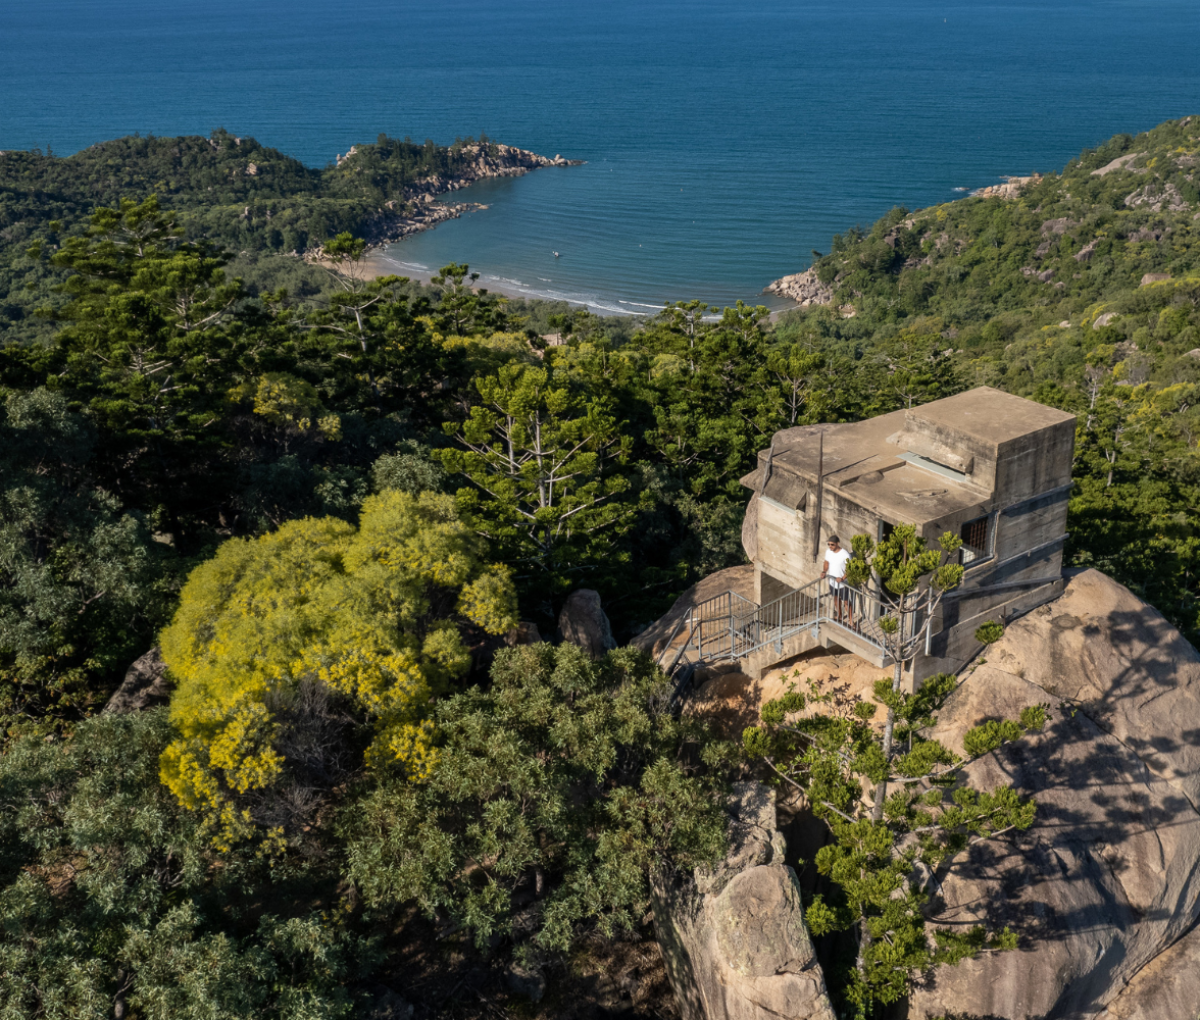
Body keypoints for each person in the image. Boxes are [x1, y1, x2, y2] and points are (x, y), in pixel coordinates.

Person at [821, 534, 854, 628]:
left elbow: (850, 568)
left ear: (837, 543)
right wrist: (824, 571)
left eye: (832, 544)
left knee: (846, 602)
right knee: (836, 599)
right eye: (829, 544)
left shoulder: (845, 554)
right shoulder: (828, 552)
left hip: (843, 584)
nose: (830, 546)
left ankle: (851, 620)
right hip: (832, 582)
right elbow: (826, 562)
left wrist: (843, 578)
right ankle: (839, 615)